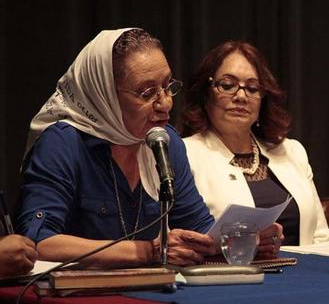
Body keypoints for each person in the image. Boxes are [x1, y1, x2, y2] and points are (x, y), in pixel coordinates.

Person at [16, 28, 216, 268]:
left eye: (167, 85)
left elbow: (199, 230)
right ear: (104, 95)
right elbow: (37, 241)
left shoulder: (165, 141)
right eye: (147, 93)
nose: (165, 103)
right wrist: (146, 252)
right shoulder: (63, 143)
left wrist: (244, 237)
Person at [181, 41, 329, 249]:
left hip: (303, 275)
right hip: (231, 276)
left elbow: (321, 237)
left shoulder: (291, 151)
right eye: (227, 85)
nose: (241, 96)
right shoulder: (185, 154)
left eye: (252, 88)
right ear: (206, 93)